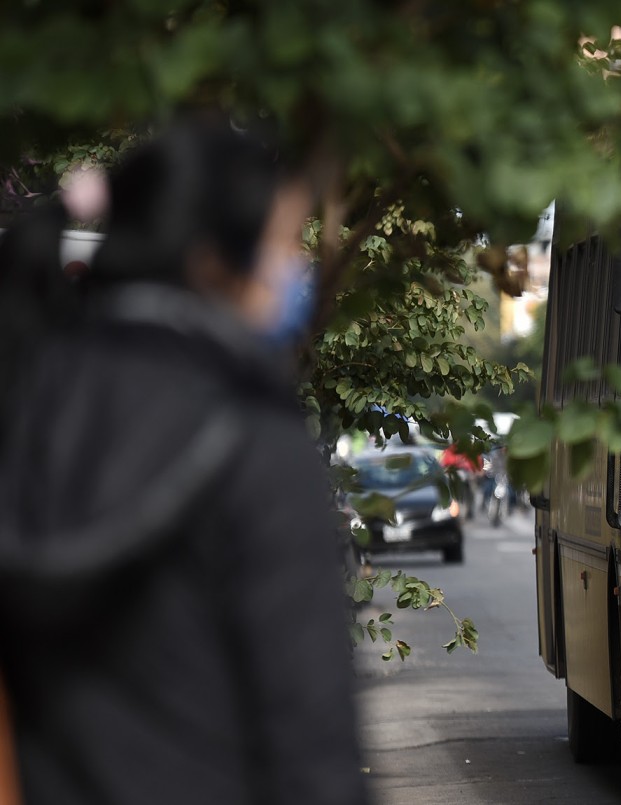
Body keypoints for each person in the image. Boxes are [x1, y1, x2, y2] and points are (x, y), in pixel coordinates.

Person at [0, 121, 367, 805]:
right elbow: (312, 744)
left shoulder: (32, 407)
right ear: (211, 261)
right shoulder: (253, 440)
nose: (297, 268)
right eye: (284, 243)